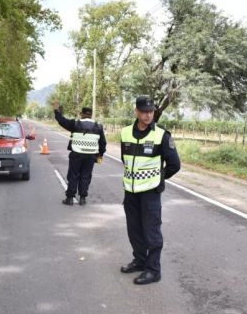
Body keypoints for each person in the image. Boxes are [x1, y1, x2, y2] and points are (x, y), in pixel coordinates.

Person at [120, 95, 181, 285]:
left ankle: (153, 270)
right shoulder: (125, 133)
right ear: (137, 111)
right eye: (144, 112)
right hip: (130, 192)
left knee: (151, 232)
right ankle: (139, 261)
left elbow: (174, 164)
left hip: (150, 193)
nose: (148, 115)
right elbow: (125, 159)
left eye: (151, 112)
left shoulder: (161, 135)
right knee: (134, 230)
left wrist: (157, 180)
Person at [53, 100, 107, 206]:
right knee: (86, 176)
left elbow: (62, 121)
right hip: (91, 157)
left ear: (82, 114)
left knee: (73, 175)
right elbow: (103, 144)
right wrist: (100, 155)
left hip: (76, 155)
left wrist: (56, 110)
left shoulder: (75, 124)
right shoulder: (98, 127)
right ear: (91, 115)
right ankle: (82, 198)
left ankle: (70, 199)